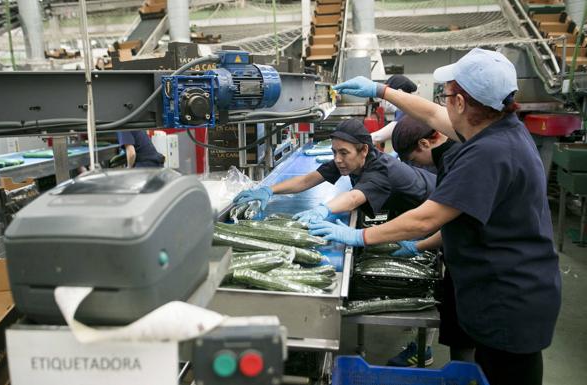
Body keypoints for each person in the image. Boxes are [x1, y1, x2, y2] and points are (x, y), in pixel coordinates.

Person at [312, 48, 561, 385]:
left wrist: (358, 237)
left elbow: (425, 219)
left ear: (460, 103)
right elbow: (430, 114)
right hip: (516, 289)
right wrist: (380, 91)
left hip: (509, 299)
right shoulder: (497, 128)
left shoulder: (488, 153)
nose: (442, 104)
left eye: (447, 96)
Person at [387, 115, 476, 367]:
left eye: (414, 159)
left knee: (470, 340)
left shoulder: (456, 162)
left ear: (425, 144)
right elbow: (453, 224)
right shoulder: (450, 156)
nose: (415, 165)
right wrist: (418, 245)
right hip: (461, 261)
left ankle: (464, 374)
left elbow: (428, 222)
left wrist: (361, 236)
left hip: (478, 268)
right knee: (460, 335)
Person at [233, 119, 436, 223]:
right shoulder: (349, 160)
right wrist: (269, 190)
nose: (338, 159)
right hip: (404, 207)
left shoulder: (379, 170)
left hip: (431, 204)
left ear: (364, 149)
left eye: (343, 153)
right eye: (334, 152)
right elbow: (307, 180)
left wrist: (324, 209)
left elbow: (353, 198)